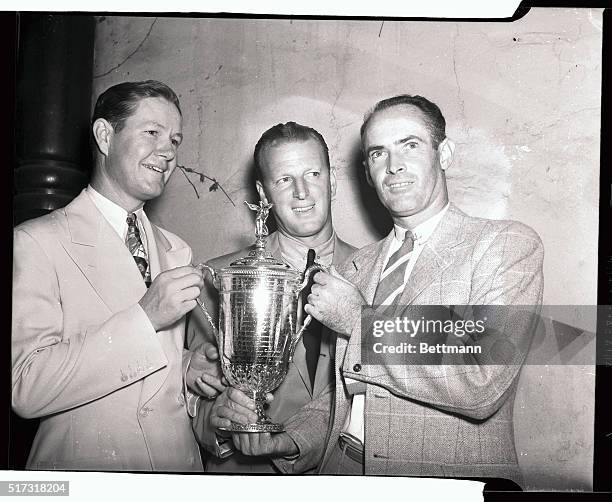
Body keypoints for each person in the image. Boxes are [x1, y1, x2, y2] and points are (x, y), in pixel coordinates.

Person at [303, 95, 544, 485]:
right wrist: (290, 439)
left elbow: (481, 380)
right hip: (341, 470)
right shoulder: (354, 267)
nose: (393, 165)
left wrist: (359, 322)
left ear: (444, 153)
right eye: (378, 153)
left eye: (409, 145)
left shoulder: (504, 245)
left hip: (444, 483)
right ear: (367, 171)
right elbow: (350, 390)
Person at [12, 80, 224, 471]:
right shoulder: (34, 242)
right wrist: (145, 317)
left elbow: (151, 378)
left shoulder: (178, 250)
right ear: (105, 136)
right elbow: (26, 387)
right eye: (152, 133)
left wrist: (186, 365)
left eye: (175, 140)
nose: (168, 152)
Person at [189, 122, 356, 473]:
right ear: (263, 195)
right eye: (284, 180)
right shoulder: (217, 280)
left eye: (313, 173)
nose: (302, 192)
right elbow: (191, 398)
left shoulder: (376, 273)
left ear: (333, 181)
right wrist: (216, 423)